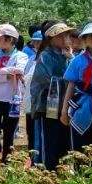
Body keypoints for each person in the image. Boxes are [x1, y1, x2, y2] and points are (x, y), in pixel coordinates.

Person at [29, 21, 75, 170]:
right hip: (48, 107)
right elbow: (46, 80)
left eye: (66, 35)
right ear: (50, 39)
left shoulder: (68, 56)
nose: (64, 39)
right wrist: (69, 81)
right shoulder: (45, 56)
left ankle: (60, 171)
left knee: (63, 141)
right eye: (60, 36)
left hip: (64, 106)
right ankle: (47, 171)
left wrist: (71, 58)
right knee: (49, 141)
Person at [0, 23, 28, 162]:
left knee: (10, 132)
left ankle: (7, 160)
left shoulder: (21, 56)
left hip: (12, 99)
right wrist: (8, 74)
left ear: (10, 39)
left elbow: (19, 70)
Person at [61, 21, 92, 154]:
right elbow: (71, 85)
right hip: (83, 107)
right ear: (85, 39)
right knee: (81, 149)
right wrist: (64, 112)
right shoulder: (78, 60)